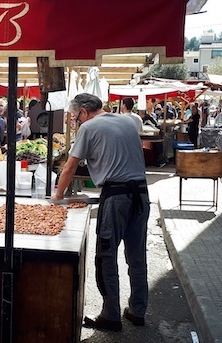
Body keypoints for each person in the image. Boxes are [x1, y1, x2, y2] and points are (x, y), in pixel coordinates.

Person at [52, 93, 150, 332]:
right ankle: (138, 311)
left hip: (116, 197)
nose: (77, 121)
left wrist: (58, 196)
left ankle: (111, 315)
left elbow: (71, 165)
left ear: (84, 111)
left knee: (106, 256)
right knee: (137, 256)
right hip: (141, 193)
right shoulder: (128, 120)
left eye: (76, 117)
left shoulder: (89, 127)